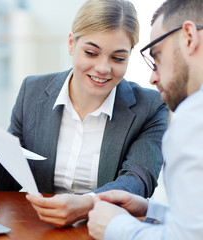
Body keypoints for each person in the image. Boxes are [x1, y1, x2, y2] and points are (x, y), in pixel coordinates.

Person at [0, 0, 168, 227]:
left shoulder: (150, 107)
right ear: (71, 44)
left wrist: (87, 203)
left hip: (104, 229)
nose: (103, 68)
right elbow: (6, 184)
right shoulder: (32, 92)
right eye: (91, 53)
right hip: (42, 228)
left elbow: (137, 181)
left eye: (118, 58)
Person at [87, 0, 203, 239]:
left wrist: (114, 227)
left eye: (157, 56)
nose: (153, 77)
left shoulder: (193, 115)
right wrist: (152, 210)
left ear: (189, 37)